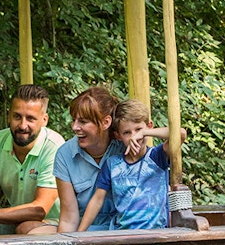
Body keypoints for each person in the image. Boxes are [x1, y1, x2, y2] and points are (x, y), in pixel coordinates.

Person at [77, 99, 187, 231]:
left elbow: (180, 134)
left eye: (138, 129)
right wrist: (80, 233)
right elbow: (97, 200)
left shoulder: (156, 157)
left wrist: (145, 132)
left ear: (149, 126)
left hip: (155, 232)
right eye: (127, 133)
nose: (134, 137)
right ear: (118, 136)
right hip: (123, 233)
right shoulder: (112, 164)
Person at [0, 85, 66, 235]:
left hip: (54, 223)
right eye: (17, 116)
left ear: (44, 120)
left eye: (30, 118)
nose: (22, 125)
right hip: (13, 220)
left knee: (25, 229)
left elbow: (40, 210)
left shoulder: (54, 146)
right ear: (9, 116)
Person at [55, 86, 124, 233]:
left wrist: (143, 133)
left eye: (83, 121)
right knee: (32, 233)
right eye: (74, 120)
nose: (75, 127)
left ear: (106, 122)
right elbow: (68, 218)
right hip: (85, 230)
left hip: (123, 229)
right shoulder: (65, 154)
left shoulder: (124, 146)